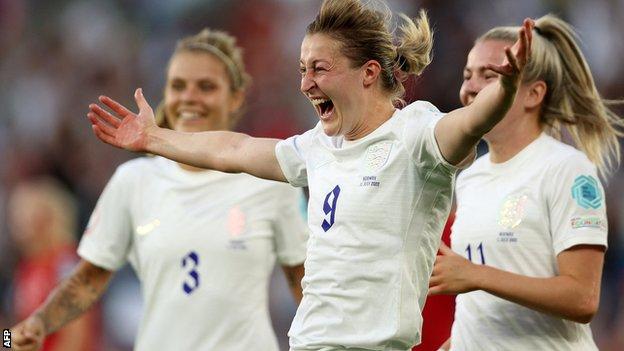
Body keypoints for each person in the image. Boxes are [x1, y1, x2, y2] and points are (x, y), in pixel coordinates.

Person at [86, 0, 534, 348]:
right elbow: (235, 148)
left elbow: (468, 123)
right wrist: (155, 138)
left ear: (368, 74)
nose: (305, 83)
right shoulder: (318, 147)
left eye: (319, 68)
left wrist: (505, 90)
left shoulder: (416, 133)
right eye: (302, 69)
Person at [11, 28, 309, 351]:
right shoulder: (133, 180)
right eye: (178, 86)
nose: (190, 97)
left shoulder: (270, 182)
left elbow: (304, 282)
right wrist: (33, 326)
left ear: (236, 98)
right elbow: (87, 282)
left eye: (206, 86)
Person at [429, 14, 623, 351]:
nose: (471, 88)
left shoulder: (566, 169)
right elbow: (480, 312)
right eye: (467, 75)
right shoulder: (470, 178)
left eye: (489, 75)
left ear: (533, 94)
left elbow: (583, 298)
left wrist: (476, 274)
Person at [8, 177, 101, 351]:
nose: (18, 224)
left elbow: (77, 331)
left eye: (26, 214)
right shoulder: (27, 267)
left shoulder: (64, 262)